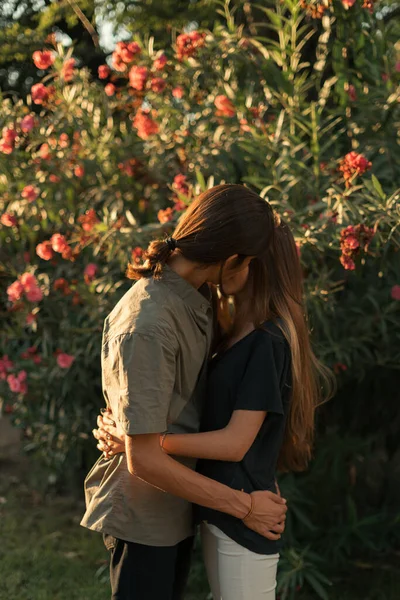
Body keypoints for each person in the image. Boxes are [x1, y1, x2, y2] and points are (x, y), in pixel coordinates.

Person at [94, 217, 334, 599]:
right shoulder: (224, 322)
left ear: (251, 264)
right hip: (209, 504)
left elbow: (234, 442)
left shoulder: (265, 341)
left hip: (242, 507)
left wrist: (142, 442)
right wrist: (136, 435)